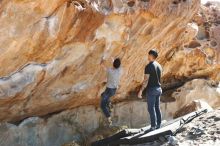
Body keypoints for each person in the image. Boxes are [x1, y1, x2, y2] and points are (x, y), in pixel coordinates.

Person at [138, 49, 163, 131]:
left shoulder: (148, 66)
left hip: (152, 90)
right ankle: (159, 124)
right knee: (157, 107)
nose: (147, 56)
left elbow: (145, 80)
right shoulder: (159, 65)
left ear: (151, 56)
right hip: (159, 89)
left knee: (151, 108)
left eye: (148, 55)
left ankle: (153, 126)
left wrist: (141, 90)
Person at [100, 58, 122, 125]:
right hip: (114, 90)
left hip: (108, 90)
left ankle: (109, 118)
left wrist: (102, 62)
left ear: (113, 64)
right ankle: (109, 104)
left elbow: (102, 66)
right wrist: (113, 61)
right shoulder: (120, 70)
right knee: (102, 95)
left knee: (102, 105)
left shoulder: (110, 71)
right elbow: (117, 66)